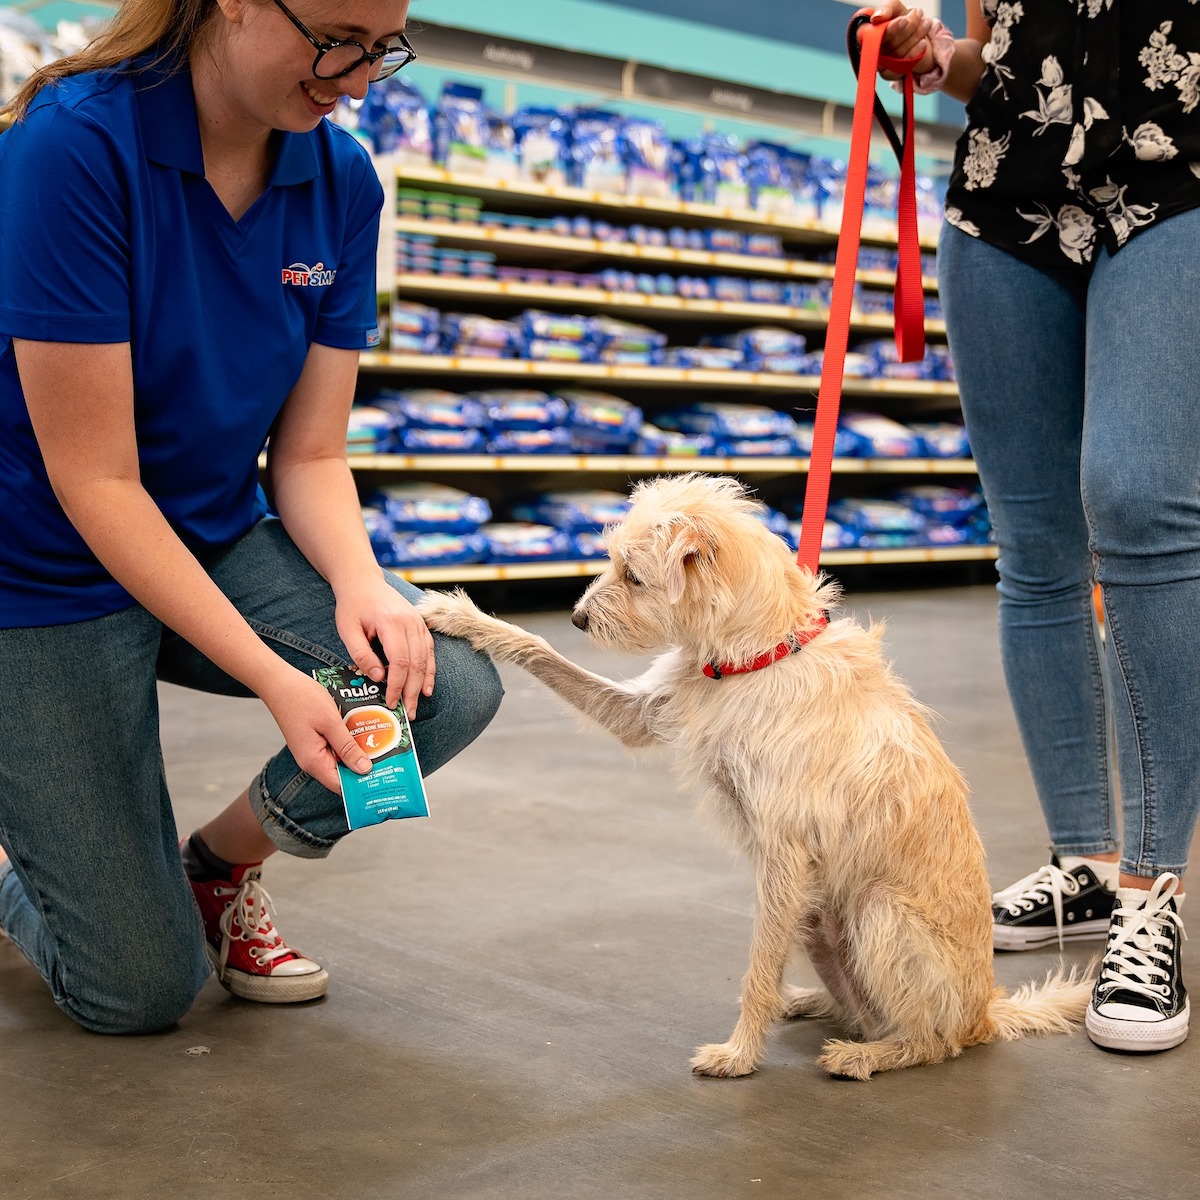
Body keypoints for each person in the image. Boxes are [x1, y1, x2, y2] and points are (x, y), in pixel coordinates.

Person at [0, 0, 503, 1033]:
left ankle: (214, 871)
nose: (359, 78)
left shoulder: (341, 179)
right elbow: (96, 483)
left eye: (383, 48)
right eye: (336, 39)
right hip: (39, 568)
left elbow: (311, 452)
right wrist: (280, 675)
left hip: (213, 537)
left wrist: (365, 588)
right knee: (136, 994)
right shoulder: (74, 145)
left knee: (437, 683)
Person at [870, 2, 1197, 1053]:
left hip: (1180, 160)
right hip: (1007, 181)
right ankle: (1088, 865)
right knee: (1034, 540)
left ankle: (1154, 885)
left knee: (1140, 498)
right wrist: (942, 56)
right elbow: (997, 56)